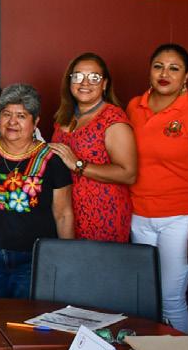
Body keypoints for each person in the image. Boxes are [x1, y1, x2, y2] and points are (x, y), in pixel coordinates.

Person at [127, 43, 188, 333]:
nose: (164, 74)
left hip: (179, 219)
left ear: (186, 75)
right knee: (143, 298)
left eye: (174, 68)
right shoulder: (134, 106)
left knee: (170, 299)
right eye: (158, 66)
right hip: (139, 215)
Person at [0, 83, 74, 298]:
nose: (12, 122)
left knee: (27, 317)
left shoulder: (52, 160)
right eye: (6, 114)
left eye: (21, 116)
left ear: (36, 122)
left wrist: (65, 258)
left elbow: (63, 214)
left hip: (33, 258)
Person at [49, 53, 137, 242]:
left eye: (94, 77)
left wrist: (78, 165)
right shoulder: (64, 117)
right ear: (70, 81)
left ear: (104, 84)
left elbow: (128, 174)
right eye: (78, 76)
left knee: (97, 261)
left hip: (102, 214)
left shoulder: (112, 118)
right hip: (66, 213)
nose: (85, 83)